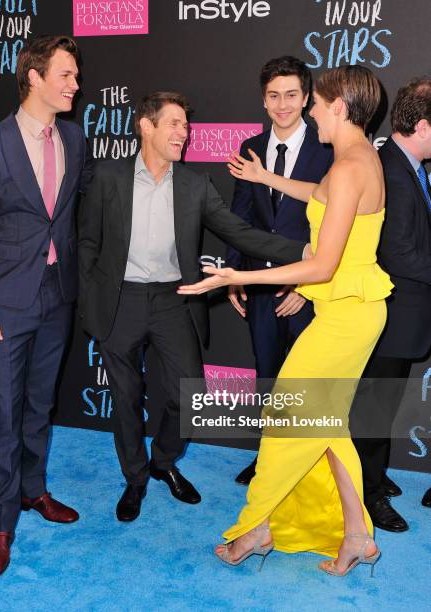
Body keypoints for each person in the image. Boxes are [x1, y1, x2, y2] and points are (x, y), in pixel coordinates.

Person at [178, 66, 393, 576]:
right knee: (325, 422)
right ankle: (357, 536)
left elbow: (322, 264)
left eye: (316, 103)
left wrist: (235, 275)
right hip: (352, 309)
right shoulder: (358, 158)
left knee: (284, 417)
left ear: (338, 106)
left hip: (346, 315)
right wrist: (265, 178)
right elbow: (318, 197)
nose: (310, 111)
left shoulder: (349, 167)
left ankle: (256, 527)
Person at [78, 91, 309, 523]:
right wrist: (92, 303)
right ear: (146, 126)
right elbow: (87, 242)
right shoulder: (108, 177)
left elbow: (240, 232)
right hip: (120, 299)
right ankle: (135, 478)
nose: (183, 133)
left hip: (174, 298)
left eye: (186, 125)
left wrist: (305, 252)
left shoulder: (194, 184)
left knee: (188, 393)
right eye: (174, 124)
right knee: (126, 397)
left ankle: (163, 463)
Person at [0, 35, 93, 577]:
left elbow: (65, 220)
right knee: (5, 412)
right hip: (5, 303)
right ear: (34, 77)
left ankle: (34, 491)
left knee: (40, 404)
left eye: (76, 75)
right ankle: (0, 521)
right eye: (65, 75)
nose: (75, 85)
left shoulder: (76, 139)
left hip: (58, 295)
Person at [226, 57, 333, 486]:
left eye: (291, 95)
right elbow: (240, 217)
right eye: (274, 95)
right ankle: (268, 457)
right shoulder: (249, 148)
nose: (282, 104)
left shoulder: (327, 149)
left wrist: (307, 285)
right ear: (263, 99)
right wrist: (235, 272)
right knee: (267, 375)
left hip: (309, 287)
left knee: (310, 382)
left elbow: (335, 227)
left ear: (306, 98)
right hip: (260, 286)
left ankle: (306, 466)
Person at [350, 78, 431, 528]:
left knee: (379, 406)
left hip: (402, 313)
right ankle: (368, 494)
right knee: (374, 410)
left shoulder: (406, 166)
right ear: (422, 126)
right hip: (389, 314)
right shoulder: (391, 172)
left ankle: (373, 476)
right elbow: (397, 252)